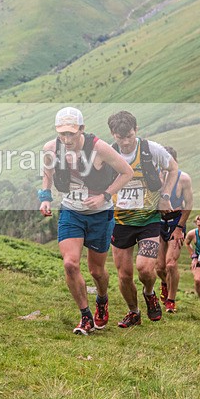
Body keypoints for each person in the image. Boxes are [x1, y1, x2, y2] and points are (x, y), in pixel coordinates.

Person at [39, 107, 133, 335]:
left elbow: (127, 172)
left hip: (101, 215)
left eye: (71, 133)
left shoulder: (100, 148)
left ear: (82, 129)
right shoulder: (51, 148)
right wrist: (45, 197)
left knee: (97, 271)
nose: (66, 138)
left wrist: (105, 195)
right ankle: (86, 317)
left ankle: (102, 299)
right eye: (62, 133)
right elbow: (47, 172)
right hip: (71, 211)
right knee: (70, 263)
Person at [107, 111, 179, 328]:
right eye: (121, 138)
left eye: (129, 135)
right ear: (113, 134)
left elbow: (173, 168)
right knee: (124, 275)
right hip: (120, 221)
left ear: (136, 130)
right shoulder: (108, 154)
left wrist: (165, 196)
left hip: (149, 220)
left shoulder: (150, 149)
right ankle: (133, 312)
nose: (126, 142)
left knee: (145, 268)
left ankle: (149, 293)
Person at [155, 146, 193, 313]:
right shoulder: (155, 178)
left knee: (171, 264)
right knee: (159, 268)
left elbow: (189, 204)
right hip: (158, 222)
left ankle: (171, 300)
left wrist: (179, 228)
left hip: (175, 221)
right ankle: (164, 283)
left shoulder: (183, 179)